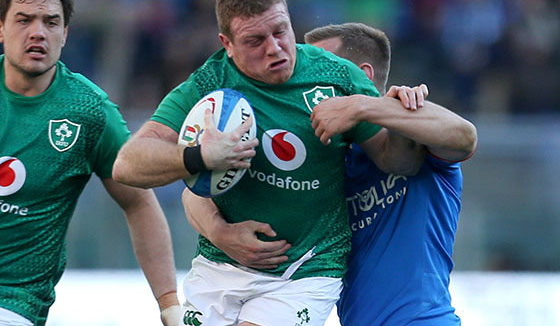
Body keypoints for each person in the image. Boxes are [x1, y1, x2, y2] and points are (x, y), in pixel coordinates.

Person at [113, 0, 423, 326]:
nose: (274, 48)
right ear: (226, 44)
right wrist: (199, 157)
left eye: (280, 31)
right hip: (219, 267)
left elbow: (398, 161)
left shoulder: (338, 77)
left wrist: (399, 117)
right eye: (255, 40)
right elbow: (127, 164)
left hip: (305, 269)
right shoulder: (209, 84)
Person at [0, 0, 180, 326]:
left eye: (51, 22)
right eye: (24, 20)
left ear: (65, 34)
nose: (38, 32)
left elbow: (139, 203)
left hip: (7, 304)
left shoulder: (89, 111)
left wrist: (169, 306)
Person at [183, 22, 478, 325]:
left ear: (361, 76)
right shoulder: (320, 159)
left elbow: (465, 136)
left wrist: (367, 107)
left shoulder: (411, 137)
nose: (307, 77)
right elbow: (197, 191)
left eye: (323, 66)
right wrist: (221, 232)